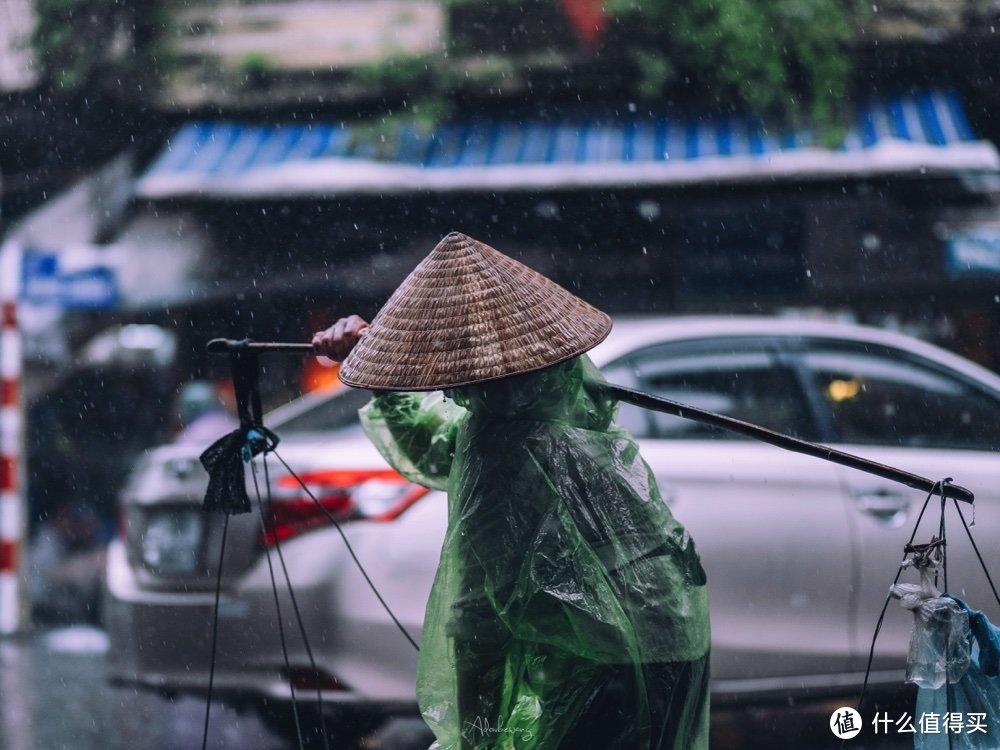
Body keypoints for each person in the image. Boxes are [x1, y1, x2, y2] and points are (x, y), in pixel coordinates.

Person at [313, 232, 710, 749]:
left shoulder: (506, 443)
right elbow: (439, 450)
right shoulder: (556, 407)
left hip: (614, 662)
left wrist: (477, 736)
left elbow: (480, 619)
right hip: (664, 638)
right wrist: (385, 386)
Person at [27, 501, 108, 624]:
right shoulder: (47, 542)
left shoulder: (72, 544)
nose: (87, 529)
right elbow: (47, 576)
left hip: (69, 613)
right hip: (48, 611)